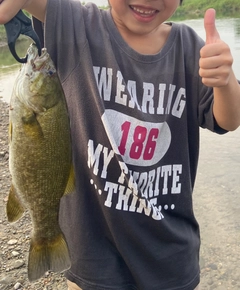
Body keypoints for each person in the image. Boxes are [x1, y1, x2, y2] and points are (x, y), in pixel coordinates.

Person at [1, 0, 240, 289]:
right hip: (92, 251)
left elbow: (228, 120)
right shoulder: (77, 25)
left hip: (169, 253)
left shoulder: (189, 46)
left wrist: (225, 81)